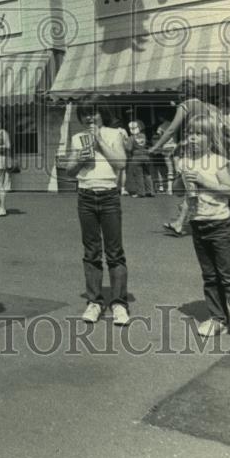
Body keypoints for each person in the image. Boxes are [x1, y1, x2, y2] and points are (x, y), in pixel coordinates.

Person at [175, 116, 230, 345]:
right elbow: (177, 190)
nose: (192, 138)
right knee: (210, 276)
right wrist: (180, 179)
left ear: (210, 139)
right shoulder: (184, 161)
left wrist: (203, 180)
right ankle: (218, 318)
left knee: (229, 277)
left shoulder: (217, 161)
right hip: (198, 224)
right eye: (189, 133)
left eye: (198, 134)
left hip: (220, 225)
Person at [66, 104, 130, 326]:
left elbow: (121, 163)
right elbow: (69, 170)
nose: (90, 117)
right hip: (86, 195)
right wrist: (81, 159)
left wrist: (99, 142)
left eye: (93, 112)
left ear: (103, 113)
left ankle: (119, 303)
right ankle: (94, 301)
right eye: (85, 114)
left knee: (114, 252)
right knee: (91, 251)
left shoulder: (116, 133)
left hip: (109, 195)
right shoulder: (77, 138)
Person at [150, 80, 230, 222]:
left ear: (183, 93)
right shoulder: (207, 106)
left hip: (194, 147)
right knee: (223, 174)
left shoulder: (185, 105)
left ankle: (184, 219)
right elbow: (222, 125)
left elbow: (171, 129)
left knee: (189, 178)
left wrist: (157, 146)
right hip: (213, 144)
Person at [124, 119, 155, 197]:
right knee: (147, 174)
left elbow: (129, 148)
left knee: (139, 175)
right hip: (146, 156)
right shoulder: (143, 136)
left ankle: (141, 193)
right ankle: (150, 191)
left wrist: (125, 143)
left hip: (136, 157)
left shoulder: (131, 138)